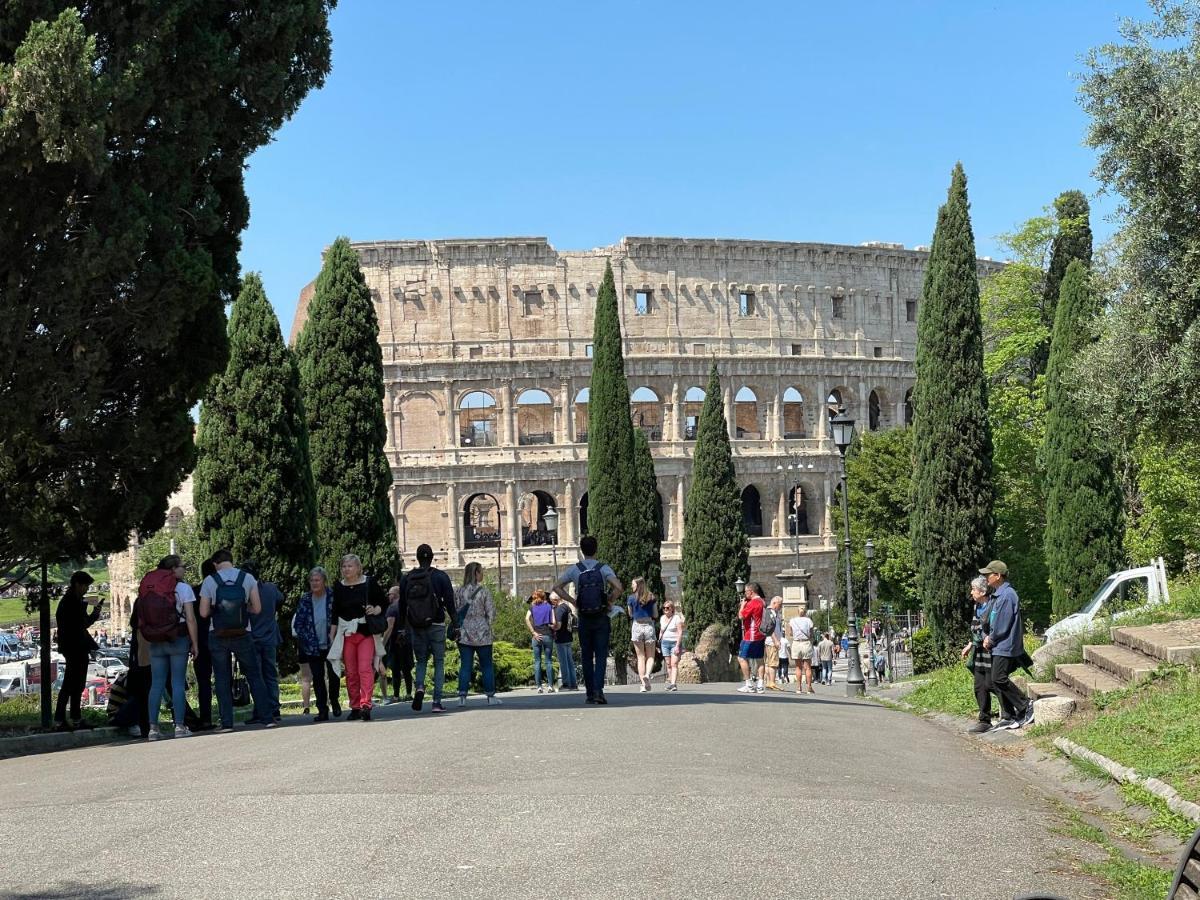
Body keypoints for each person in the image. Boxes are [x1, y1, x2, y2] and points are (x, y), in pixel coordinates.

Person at [199, 549, 273, 732]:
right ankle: (267, 718)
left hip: (218, 635)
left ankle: (227, 723)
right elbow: (257, 608)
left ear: (215, 564)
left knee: (222, 679)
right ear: (231, 561)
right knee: (254, 675)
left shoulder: (210, 581)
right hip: (243, 633)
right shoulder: (247, 578)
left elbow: (203, 613)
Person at [551, 535, 623, 705]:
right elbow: (619, 587)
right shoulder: (603, 568)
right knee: (601, 654)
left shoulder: (575, 569)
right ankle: (599, 690)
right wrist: (609, 601)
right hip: (600, 616)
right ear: (596, 549)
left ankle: (590, 693)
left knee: (586, 655)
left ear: (582, 551)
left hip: (584, 616)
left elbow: (556, 587)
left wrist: (572, 601)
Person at [139, 555, 199, 740]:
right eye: (182, 566)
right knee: (177, 683)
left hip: (156, 640)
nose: (184, 570)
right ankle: (180, 726)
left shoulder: (150, 587)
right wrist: (195, 643)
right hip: (178, 638)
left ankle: (153, 729)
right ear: (173, 569)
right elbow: (190, 618)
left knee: (156, 684)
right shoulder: (183, 589)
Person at [399, 543, 457, 713]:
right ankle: (437, 702)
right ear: (432, 558)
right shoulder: (441, 577)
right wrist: (456, 623)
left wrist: (402, 629)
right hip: (437, 624)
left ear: (417, 558)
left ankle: (419, 687)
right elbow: (450, 603)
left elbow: (402, 605)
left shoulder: (407, 578)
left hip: (416, 625)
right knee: (439, 662)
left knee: (421, 661)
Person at [329, 554, 388, 721]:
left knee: (364, 669)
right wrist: (332, 635)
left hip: (365, 632)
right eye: (343, 566)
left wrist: (375, 609)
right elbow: (335, 612)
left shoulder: (369, 582)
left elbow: (383, 603)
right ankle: (355, 706)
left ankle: (365, 705)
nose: (346, 569)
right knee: (351, 672)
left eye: (349, 566)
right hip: (346, 633)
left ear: (358, 568)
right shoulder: (339, 587)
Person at [980, 561, 1034, 730]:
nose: (986, 577)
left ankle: (1026, 705)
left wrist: (991, 639)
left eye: (989, 574)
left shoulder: (1007, 595)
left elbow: (1002, 624)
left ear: (998, 575)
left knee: (998, 678)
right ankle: (1009, 715)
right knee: (995, 680)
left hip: (1006, 645)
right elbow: (990, 620)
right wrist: (986, 636)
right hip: (998, 645)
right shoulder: (998, 594)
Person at [53, 571, 101, 731]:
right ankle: (62, 719)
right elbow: (81, 624)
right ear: (78, 585)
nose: (87, 589)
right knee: (71, 683)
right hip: (75, 646)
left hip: (73, 646)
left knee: (76, 684)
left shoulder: (70, 601)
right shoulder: (71, 602)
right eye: (85, 586)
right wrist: (94, 615)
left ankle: (73, 718)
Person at [292, 566, 338, 721]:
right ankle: (322, 710)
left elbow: (339, 617)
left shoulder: (332, 596)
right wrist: (307, 637)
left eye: (317, 580)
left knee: (334, 675)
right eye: (312, 580)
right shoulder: (305, 598)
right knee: (318, 678)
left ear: (324, 581)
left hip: (331, 642)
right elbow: (299, 623)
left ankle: (335, 700)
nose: (314, 583)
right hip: (313, 645)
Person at [455, 562, 501, 706]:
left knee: (465, 665)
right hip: (483, 633)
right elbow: (491, 613)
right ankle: (490, 696)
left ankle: (462, 697)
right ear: (475, 573)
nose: (482, 574)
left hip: (464, 632)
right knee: (486, 665)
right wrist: (486, 622)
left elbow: (455, 611)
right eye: (481, 572)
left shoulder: (458, 591)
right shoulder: (484, 592)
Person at [242, 561, 282, 723]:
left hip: (252, 638)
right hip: (270, 636)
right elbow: (281, 599)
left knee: (255, 676)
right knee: (270, 674)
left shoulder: (244, 592)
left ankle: (260, 710)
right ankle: (274, 708)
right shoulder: (271, 589)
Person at [191, 558, 215, 730]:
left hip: (199, 641)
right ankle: (225, 716)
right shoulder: (219, 590)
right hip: (219, 638)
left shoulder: (194, 591)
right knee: (223, 679)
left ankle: (206, 717)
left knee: (203, 682)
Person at [627, 577, 658, 692]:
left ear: (638, 585)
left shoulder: (631, 598)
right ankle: (647, 676)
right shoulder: (651, 597)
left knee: (640, 656)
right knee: (650, 656)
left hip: (637, 626)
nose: (632, 586)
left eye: (633, 584)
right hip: (648, 625)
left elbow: (630, 614)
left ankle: (643, 685)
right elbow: (655, 614)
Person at [383, 586, 414, 703]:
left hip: (395, 642)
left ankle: (396, 696)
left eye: (390, 594)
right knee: (407, 669)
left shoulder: (392, 608)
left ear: (395, 594)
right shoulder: (408, 606)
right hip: (408, 640)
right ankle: (409, 694)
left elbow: (390, 627)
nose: (388, 596)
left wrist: (383, 643)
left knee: (395, 669)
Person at [737, 582, 767, 694]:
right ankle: (760, 685)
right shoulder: (763, 602)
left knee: (741, 658)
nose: (745, 594)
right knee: (760, 660)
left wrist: (742, 606)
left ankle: (748, 684)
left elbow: (741, 616)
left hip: (751, 634)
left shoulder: (753, 603)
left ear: (751, 591)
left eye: (746, 591)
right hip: (761, 634)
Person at [527, 590, 557, 693]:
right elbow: (553, 622)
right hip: (547, 635)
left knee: (537, 661)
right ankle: (550, 686)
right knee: (548, 661)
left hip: (536, 637)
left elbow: (526, 619)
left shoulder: (532, 607)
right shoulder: (549, 607)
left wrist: (533, 632)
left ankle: (539, 687)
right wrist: (552, 626)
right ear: (544, 597)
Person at [551, 591, 578, 692]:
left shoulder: (559, 609)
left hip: (561, 638)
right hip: (568, 637)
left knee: (563, 663)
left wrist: (551, 626)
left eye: (551, 601)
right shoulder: (567, 607)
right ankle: (573, 683)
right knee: (570, 662)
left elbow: (558, 626)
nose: (551, 603)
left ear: (555, 600)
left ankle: (566, 684)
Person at [658, 600, 685, 692]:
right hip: (664, 643)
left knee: (674, 664)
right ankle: (671, 683)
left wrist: (677, 645)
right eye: (664, 608)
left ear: (672, 609)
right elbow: (661, 631)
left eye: (668, 608)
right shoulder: (662, 618)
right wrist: (659, 641)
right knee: (668, 664)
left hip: (674, 643)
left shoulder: (676, 618)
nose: (666, 609)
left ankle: (674, 684)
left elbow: (680, 632)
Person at [763, 596, 783, 691]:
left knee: (768, 662)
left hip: (769, 641)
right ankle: (772, 682)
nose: (781, 607)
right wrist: (776, 641)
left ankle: (768, 682)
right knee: (773, 663)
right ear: (774, 603)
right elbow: (770, 628)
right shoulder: (771, 612)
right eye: (780, 605)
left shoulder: (771, 612)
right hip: (771, 641)